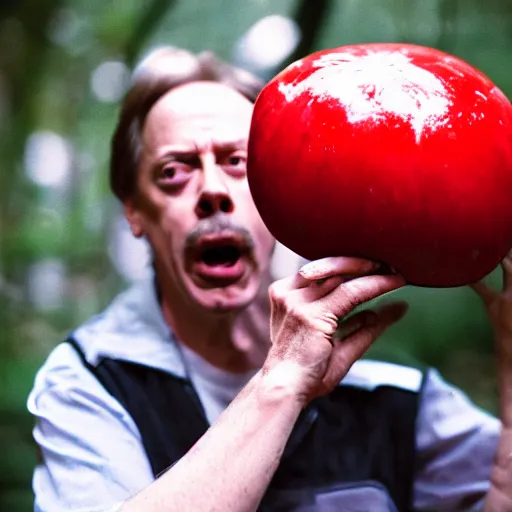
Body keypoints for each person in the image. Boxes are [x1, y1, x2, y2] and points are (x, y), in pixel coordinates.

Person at [27, 46, 512, 512]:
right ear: (135, 212)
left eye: (237, 162)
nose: (213, 190)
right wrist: (282, 383)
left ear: (277, 185)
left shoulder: (391, 387)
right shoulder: (87, 384)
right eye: (175, 171)